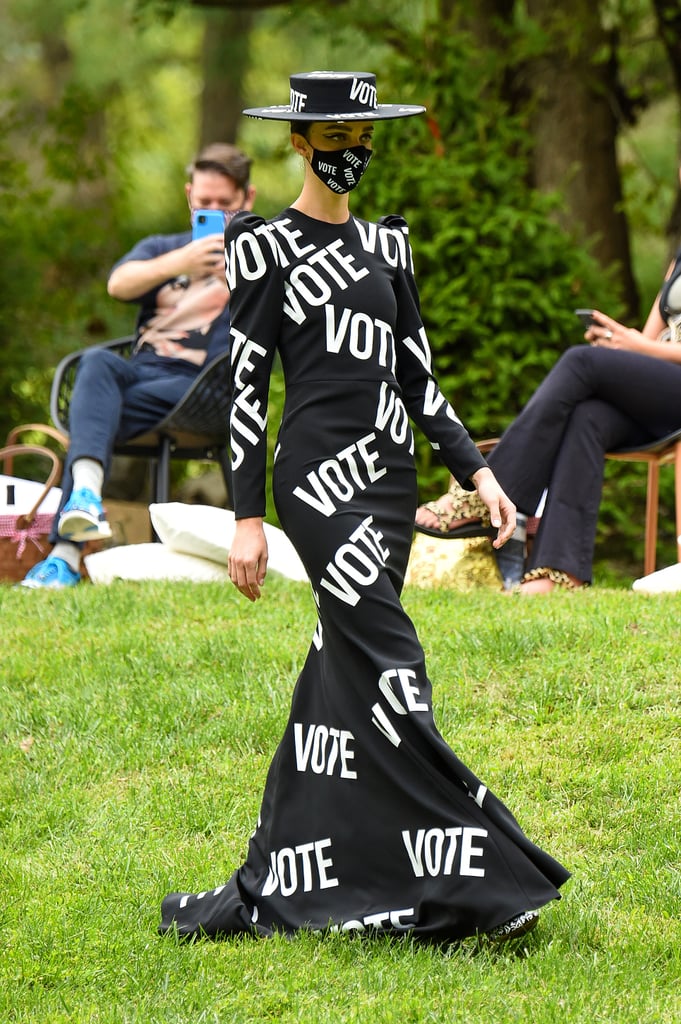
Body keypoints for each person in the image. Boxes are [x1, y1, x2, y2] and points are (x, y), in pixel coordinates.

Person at [159, 71, 569, 944]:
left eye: (363, 134)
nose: (353, 151)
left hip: (386, 486)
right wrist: (244, 517)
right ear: (301, 143)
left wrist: (480, 476)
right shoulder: (264, 249)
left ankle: (289, 874)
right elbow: (243, 390)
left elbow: (418, 378)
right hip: (315, 487)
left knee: (339, 687)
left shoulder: (390, 249)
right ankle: (479, 877)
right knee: (393, 667)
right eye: (335, 136)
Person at [415, 190, 681, 593]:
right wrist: (619, 345)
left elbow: (643, 345)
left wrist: (632, 345)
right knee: (587, 414)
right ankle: (561, 572)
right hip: (660, 389)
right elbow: (646, 339)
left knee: (580, 363)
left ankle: (482, 495)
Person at [20, 142, 256, 589]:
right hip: (139, 377)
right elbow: (118, 284)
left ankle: (64, 557)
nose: (214, 211)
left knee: (93, 413)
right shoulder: (163, 248)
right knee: (97, 364)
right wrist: (181, 261)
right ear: (189, 196)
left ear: (247, 199)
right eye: (204, 202)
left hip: (202, 387)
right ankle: (85, 498)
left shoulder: (259, 259)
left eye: (225, 204)